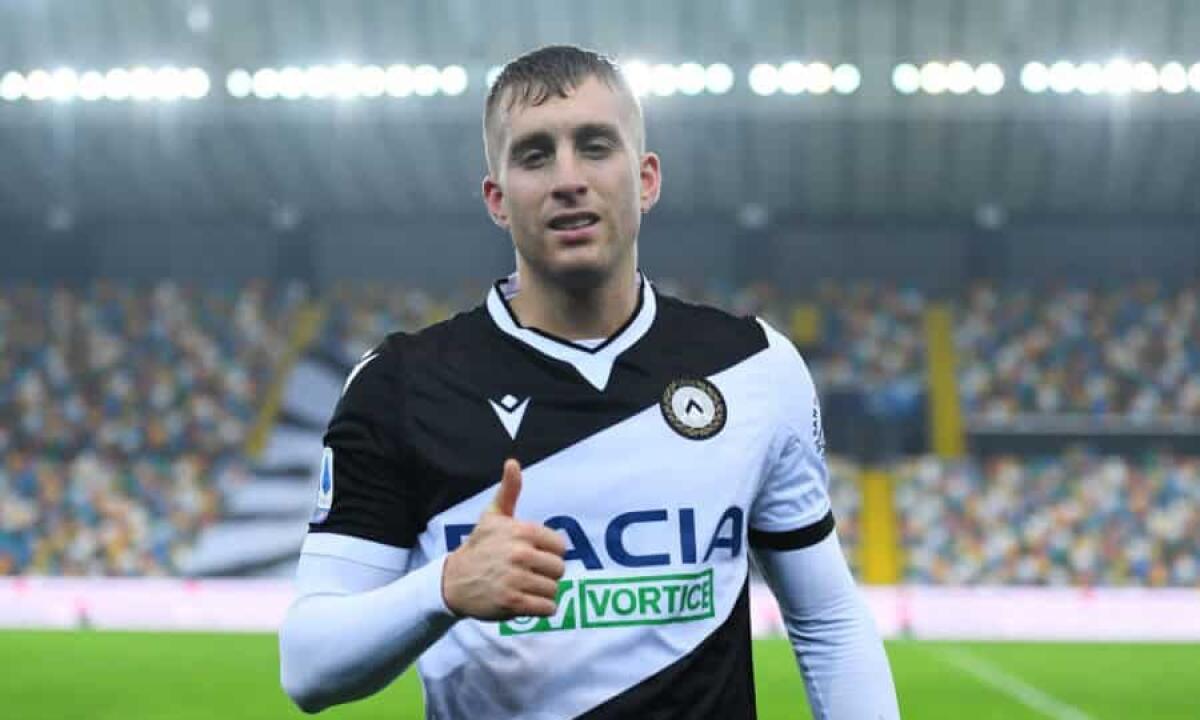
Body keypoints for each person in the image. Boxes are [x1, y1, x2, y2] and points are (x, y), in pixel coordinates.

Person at [279, 45, 899, 719]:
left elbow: (829, 620)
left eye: (595, 146)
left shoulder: (754, 366)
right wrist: (447, 587)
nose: (567, 178)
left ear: (647, 178)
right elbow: (309, 666)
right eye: (534, 155)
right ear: (496, 198)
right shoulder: (401, 385)